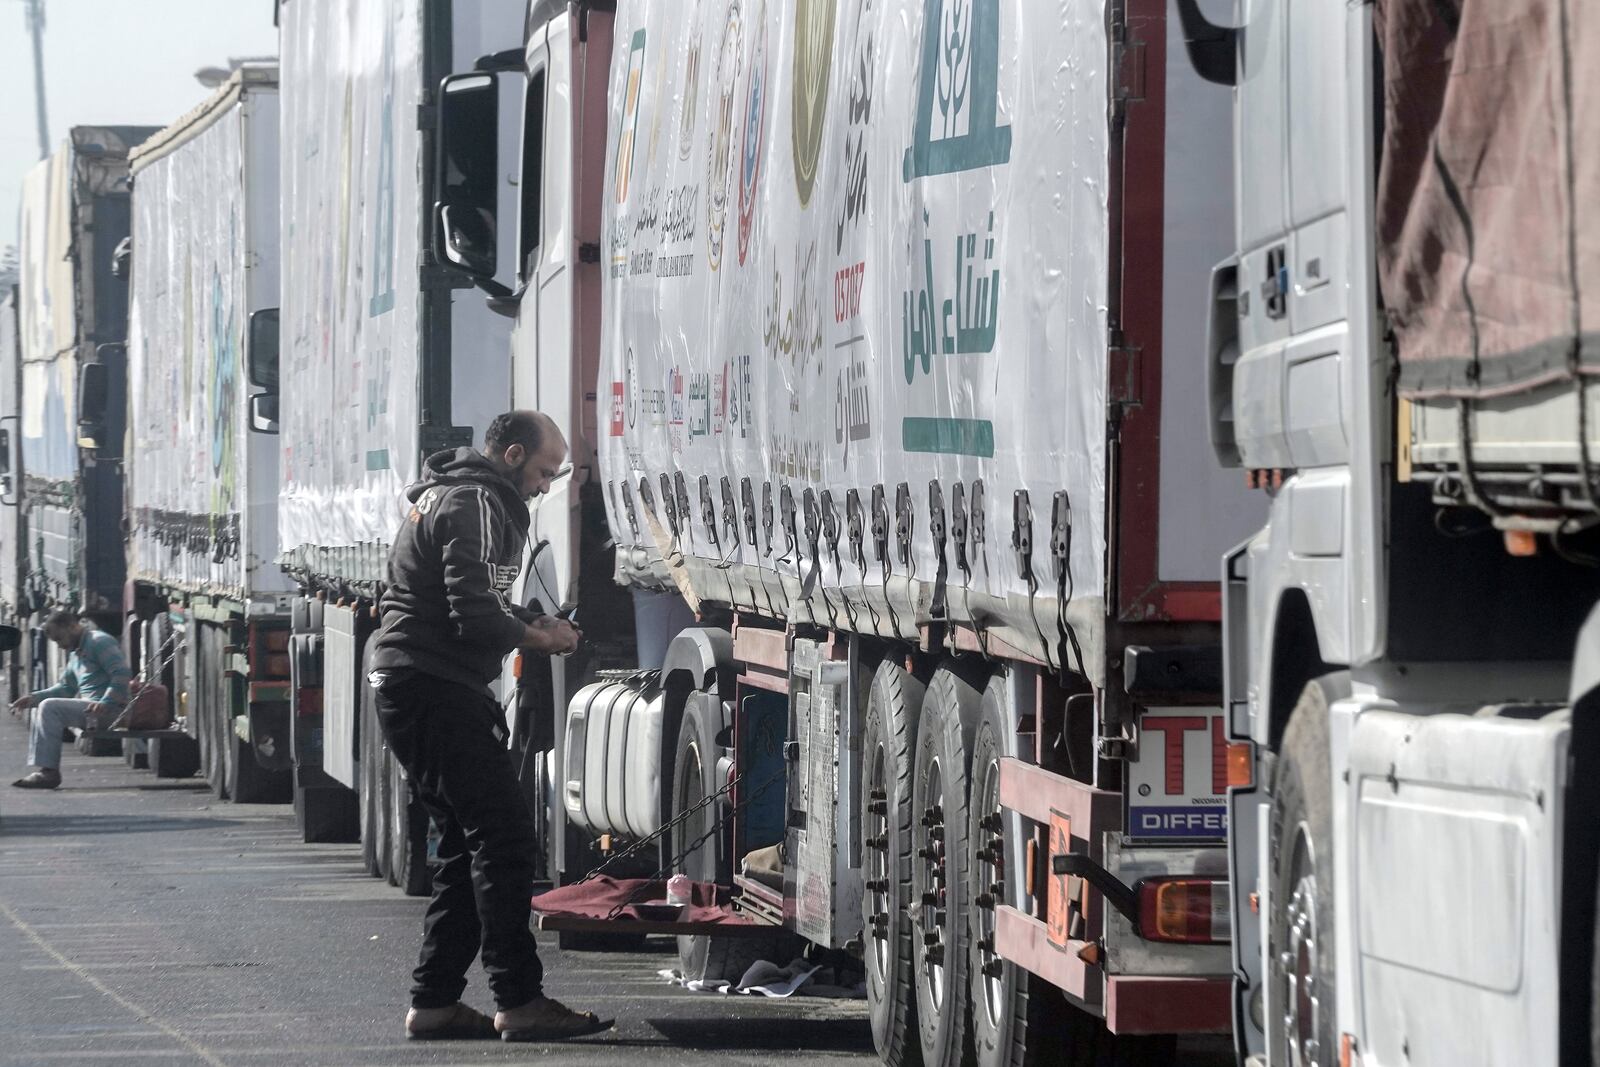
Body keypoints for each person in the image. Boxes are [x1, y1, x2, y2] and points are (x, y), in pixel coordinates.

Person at [369, 410, 609, 1043]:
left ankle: (436, 1002)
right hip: (431, 683)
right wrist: (543, 634)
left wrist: (527, 618)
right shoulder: (477, 501)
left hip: (417, 681)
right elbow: (473, 610)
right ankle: (519, 999)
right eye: (540, 471)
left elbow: (479, 597)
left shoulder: (463, 497)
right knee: (503, 839)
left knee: (462, 846)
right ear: (509, 455)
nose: (545, 485)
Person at [10, 611, 132, 789]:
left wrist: (106, 702)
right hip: (93, 711)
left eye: (59, 638)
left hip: (113, 711)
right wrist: (33, 698)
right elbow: (66, 688)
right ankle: (45, 768)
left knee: (49, 707)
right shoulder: (77, 652)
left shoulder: (99, 642)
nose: (60, 646)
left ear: (72, 626)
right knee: (42, 706)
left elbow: (121, 673)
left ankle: (49, 772)